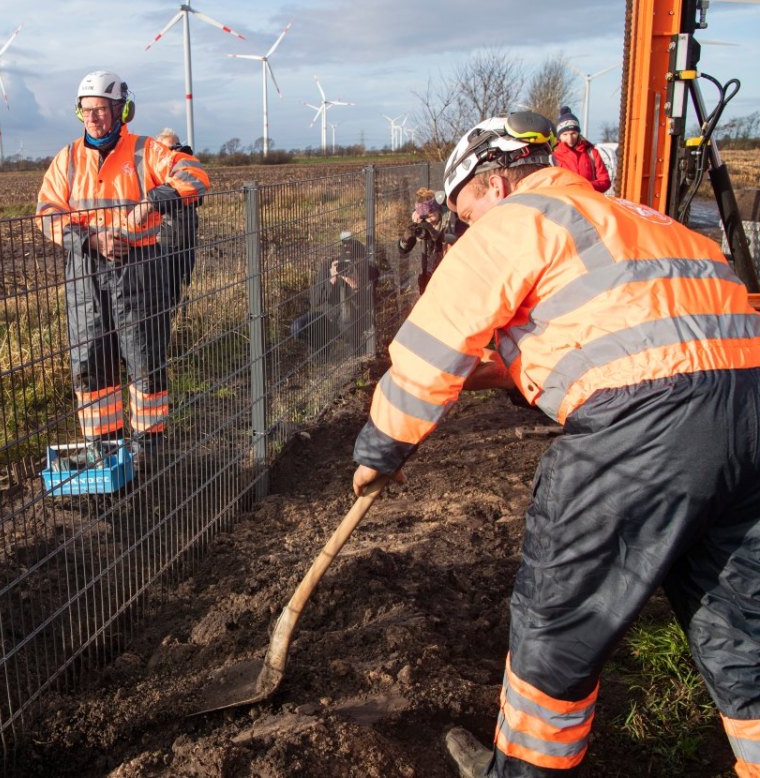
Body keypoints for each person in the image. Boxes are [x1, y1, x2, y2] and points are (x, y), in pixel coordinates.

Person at [349, 111, 760, 777]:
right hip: (749, 416)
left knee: (558, 621)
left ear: (493, 184)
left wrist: (381, 449)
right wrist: (489, 376)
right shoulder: (643, 220)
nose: (463, 229)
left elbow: (432, 347)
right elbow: (611, 336)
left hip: (643, 432)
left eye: (464, 213)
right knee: (743, 618)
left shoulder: (515, 221)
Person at [37, 71, 210, 464]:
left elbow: (195, 176)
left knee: (144, 355)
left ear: (121, 110)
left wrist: (155, 199)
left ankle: (148, 445)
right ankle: (104, 449)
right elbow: (46, 212)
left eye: (101, 109)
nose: (94, 117)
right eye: (87, 111)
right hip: (86, 270)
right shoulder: (67, 159)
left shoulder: (146, 151)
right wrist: (90, 240)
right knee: (89, 360)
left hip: (139, 267)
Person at [154, 128, 202, 307]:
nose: (174, 151)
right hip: (165, 241)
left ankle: (182, 323)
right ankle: (170, 324)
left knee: (184, 286)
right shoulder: (156, 172)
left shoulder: (186, 171)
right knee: (167, 289)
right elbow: (159, 200)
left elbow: (198, 197)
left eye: (176, 146)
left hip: (187, 240)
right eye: (169, 148)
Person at [290, 246, 363, 356]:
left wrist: (355, 285)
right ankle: (324, 351)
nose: (344, 264)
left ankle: (351, 355)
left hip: (345, 317)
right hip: (323, 315)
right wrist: (331, 280)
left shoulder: (358, 268)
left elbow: (363, 305)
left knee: (347, 321)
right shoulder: (327, 267)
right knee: (297, 327)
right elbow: (315, 301)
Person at [397, 187, 450, 293]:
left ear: (438, 208)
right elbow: (403, 250)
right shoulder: (421, 222)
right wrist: (406, 238)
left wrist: (431, 230)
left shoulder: (449, 218)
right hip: (428, 267)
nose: (428, 217)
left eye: (430, 212)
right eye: (424, 215)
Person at [552, 106, 610, 193]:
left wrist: (584, 186)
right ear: (559, 136)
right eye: (565, 134)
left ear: (578, 133)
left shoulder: (592, 153)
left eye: (573, 133)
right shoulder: (553, 157)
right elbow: (549, 185)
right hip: (564, 203)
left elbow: (605, 181)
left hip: (588, 202)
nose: (570, 138)